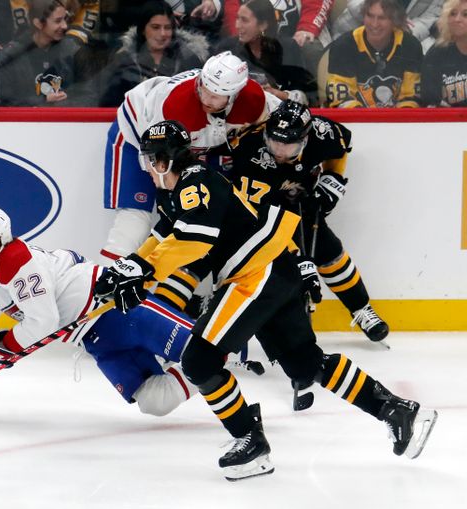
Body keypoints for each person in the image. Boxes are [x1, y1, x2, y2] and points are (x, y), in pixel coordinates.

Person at [95, 119, 437, 481]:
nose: (146, 169)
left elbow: (195, 240)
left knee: (198, 361)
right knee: (306, 364)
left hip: (254, 275)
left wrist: (141, 270)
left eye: (149, 160)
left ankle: (250, 440)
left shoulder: (195, 181)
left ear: (164, 160)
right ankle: (396, 409)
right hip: (277, 270)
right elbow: (163, 235)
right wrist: (129, 266)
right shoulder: (180, 190)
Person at [0, 207, 201, 419]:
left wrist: (6, 345)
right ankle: (211, 364)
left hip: (115, 310)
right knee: (154, 401)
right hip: (94, 338)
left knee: (201, 350)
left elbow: (44, 322)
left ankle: (230, 343)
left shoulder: (16, 260)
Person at [100, 51, 279, 312]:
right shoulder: (176, 105)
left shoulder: (252, 100)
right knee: (135, 218)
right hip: (139, 139)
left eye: (216, 95)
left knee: (213, 216)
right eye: (204, 88)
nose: (206, 98)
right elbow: (158, 165)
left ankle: (189, 299)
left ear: (234, 95)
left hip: (197, 148)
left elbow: (279, 116)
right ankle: (104, 289)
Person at [225, 99, 389, 342]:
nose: (280, 152)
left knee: (329, 251)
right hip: (258, 215)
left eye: (288, 146)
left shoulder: (323, 134)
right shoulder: (246, 144)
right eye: (274, 143)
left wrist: (332, 178)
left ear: (305, 138)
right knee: (272, 268)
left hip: (302, 204)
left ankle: (361, 308)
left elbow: (343, 148)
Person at [98, 1, 210, 107]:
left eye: (167, 28)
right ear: (142, 29)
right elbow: (108, 104)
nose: (162, 34)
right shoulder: (124, 61)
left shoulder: (189, 60)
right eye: (155, 27)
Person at [214, 0, 317, 105]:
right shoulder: (227, 49)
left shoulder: (288, 48)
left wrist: (280, 95)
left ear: (263, 25)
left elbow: (310, 95)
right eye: (237, 18)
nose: (237, 25)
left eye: (244, 20)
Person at [325, 0, 423, 107]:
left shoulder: (411, 46)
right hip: (354, 121)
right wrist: (367, 122)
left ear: (395, 21)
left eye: (382, 18)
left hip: (397, 121)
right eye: (370, 16)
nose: (374, 24)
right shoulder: (343, 46)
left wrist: (395, 122)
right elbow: (341, 101)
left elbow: (411, 98)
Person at [0, 0, 80, 106]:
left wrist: (64, 105)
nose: (65, 26)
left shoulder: (71, 50)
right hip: (27, 122)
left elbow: (87, 94)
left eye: (65, 19)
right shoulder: (11, 56)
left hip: (64, 121)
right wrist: (42, 101)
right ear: (39, 23)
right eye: (58, 21)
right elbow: (0, 102)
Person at [331, 0, 444, 54]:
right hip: (353, 34)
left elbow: (429, 19)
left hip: (398, 43)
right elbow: (354, 4)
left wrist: (406, 31)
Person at [421, 0, 467, 106]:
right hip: (449, 121)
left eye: (466, 15)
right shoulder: (436, 53)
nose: (457, 19)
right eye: (453, 13)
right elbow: (430, 99)